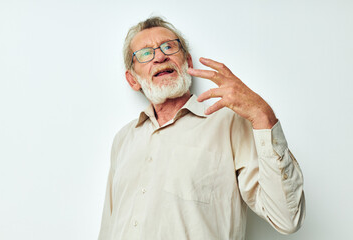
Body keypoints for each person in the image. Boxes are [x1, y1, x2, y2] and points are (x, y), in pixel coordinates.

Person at [98, 16, 305, 240]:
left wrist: (261, 113)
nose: (160, 56)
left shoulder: (228, 122)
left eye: (169, 46)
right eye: (146, 53)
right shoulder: (123, 139)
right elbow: (109, 228)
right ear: (133, 80)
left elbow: (287, 218)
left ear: (187, 62)